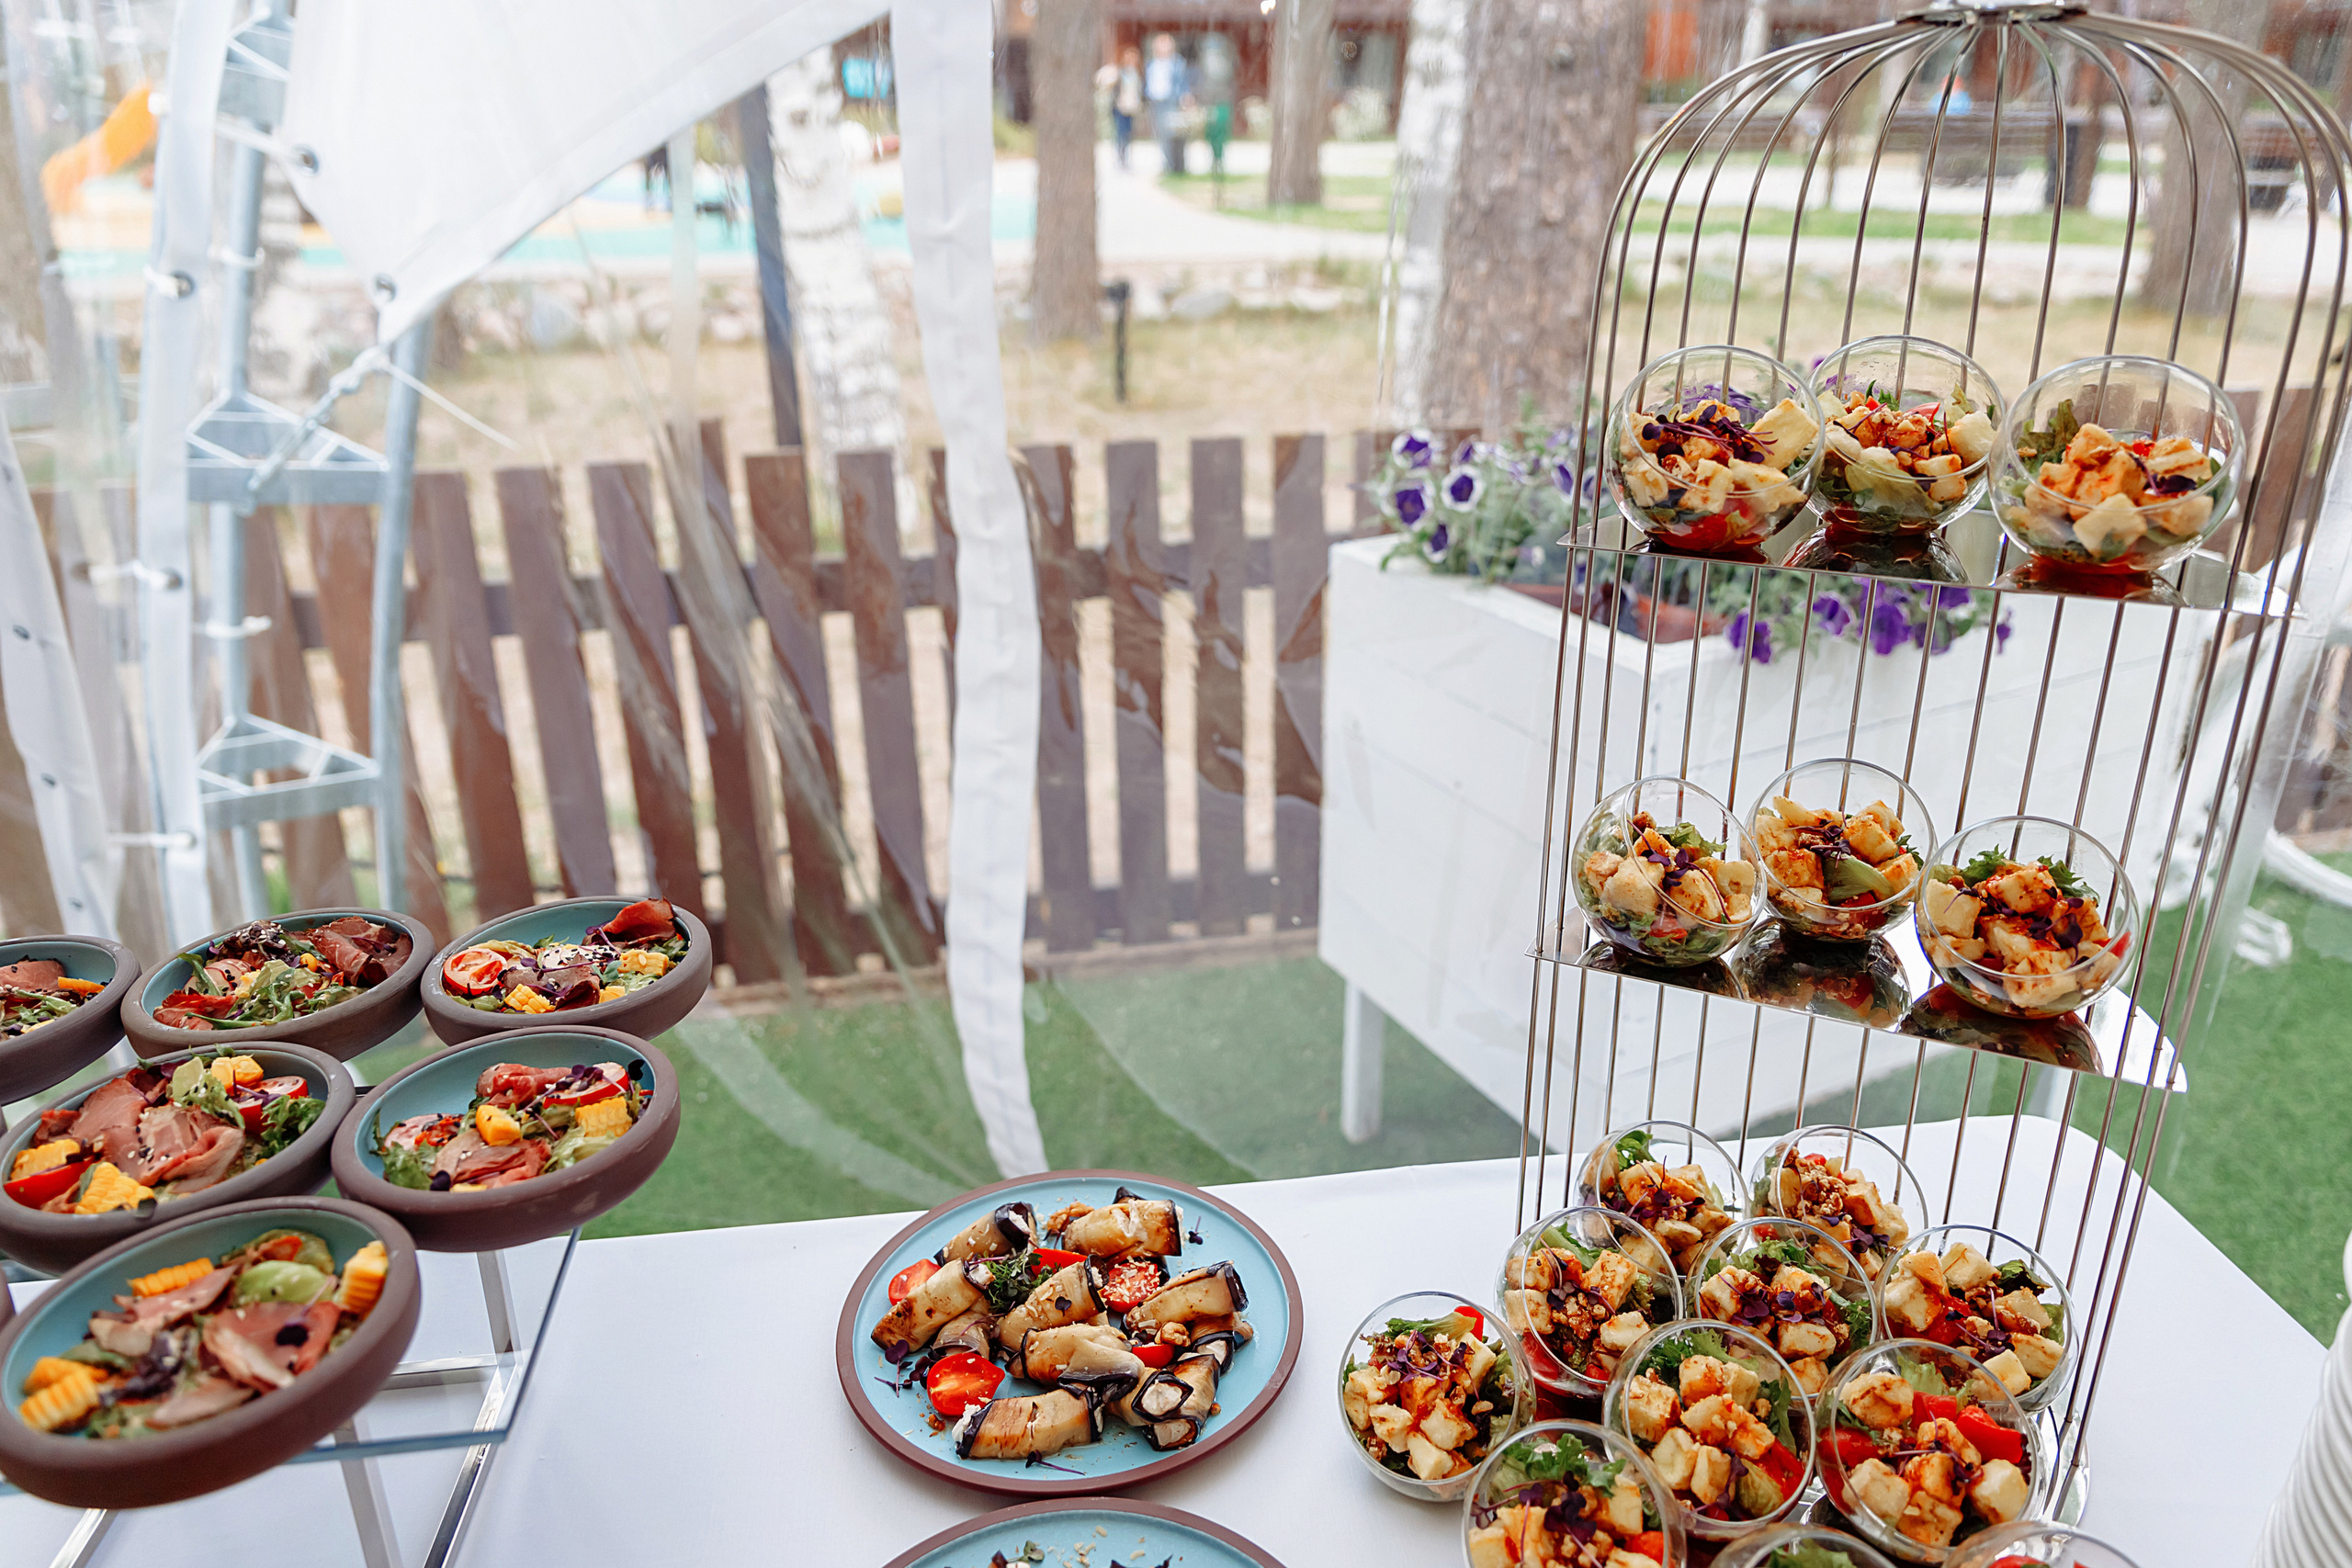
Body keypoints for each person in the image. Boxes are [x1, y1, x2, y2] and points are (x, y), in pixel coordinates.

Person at [1144, 32, 1192, 178]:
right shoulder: (1151, 64)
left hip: (1172, 101)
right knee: (1161, 135)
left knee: (1175, 135)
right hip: (1156, 102)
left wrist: (1186, 98)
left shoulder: (1178, 63)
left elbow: (1183, 83)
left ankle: (1177, 166)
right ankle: (1168, 165)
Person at [1097, 46, 1145, 172]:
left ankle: (1126, 158)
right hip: (1120, 108)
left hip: (1131, 108)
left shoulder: (1137, 74)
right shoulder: (1119, 73)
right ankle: (1119, 157)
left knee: (1128, 133)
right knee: (1120, 133)